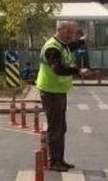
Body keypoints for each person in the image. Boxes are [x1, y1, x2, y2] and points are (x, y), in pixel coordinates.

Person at [36, 21, 90, 172]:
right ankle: (54, 162)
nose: (72, 36)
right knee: (55, 128)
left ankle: (60, 159)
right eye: (70, 32)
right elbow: (58, 69)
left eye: (73, 33)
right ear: (61, 30)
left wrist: (82, 41)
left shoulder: (62, 45)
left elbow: (71, 47)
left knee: (61, 127)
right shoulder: (52, 48)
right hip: (50, 91)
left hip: (58, 91)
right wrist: (78, 71)